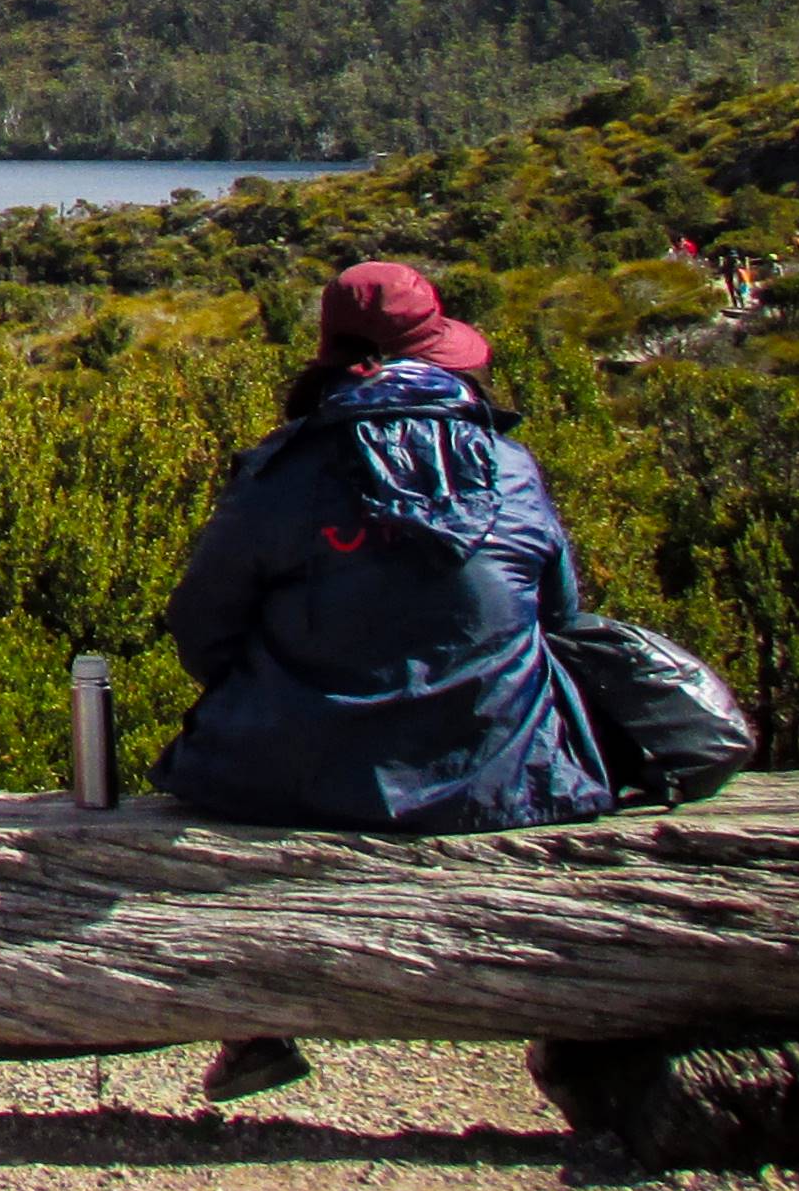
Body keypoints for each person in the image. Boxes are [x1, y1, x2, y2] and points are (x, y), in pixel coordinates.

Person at [159, 258, 610, 836]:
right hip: (507, 781)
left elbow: (203, 626)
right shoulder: (511, 467)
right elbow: (558, 618)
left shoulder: (280, 474)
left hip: (287, 784)